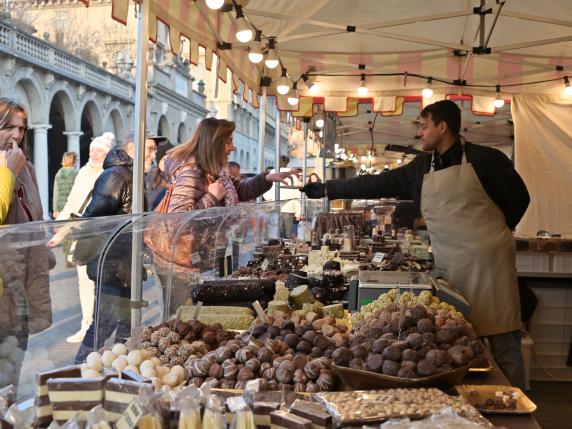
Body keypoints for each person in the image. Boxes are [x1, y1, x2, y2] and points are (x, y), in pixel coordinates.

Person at [302, 100, 530, 389]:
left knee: (502, 340)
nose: (420, 133)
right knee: (457, 339)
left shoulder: (488, 159)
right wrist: (327, 188)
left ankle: (517, 403)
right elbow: (378, 184)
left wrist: (493, 233)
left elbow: (519, 200)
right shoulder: (422, 167)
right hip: (450, 266)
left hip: (490, 264)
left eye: (424, 126)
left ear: (442, 126)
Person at [154, 117, 298, 314]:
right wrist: (211, 196)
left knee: (201, 316)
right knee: (184, 316)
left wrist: (266, 178)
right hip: (182, 265)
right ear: (215, 143)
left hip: (202, 259)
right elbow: (177, 220)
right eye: (228, 141)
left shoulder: (214, 171)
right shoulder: (191, 173)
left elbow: (237, 190)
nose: (233, 147)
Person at [75, 148, 142, 362]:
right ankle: (123, 367)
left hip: (112, 259)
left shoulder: (112, 175)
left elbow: (94, 212)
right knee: (127, 321)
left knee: (104, 321)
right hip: (126, 259)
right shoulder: (132, 175)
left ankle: (81, 366)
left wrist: (79, 228)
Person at [48, 132, 114, 343]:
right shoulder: (83, 172)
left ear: (108, 153)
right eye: (92, 150)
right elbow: (71, 205)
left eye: (100, 151)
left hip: (102, 235)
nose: (94, 154)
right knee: (84, 282)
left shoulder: (111, 174)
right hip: (81, 234)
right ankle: (87, 326)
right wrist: (60, 233)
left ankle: (101, 327)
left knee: (103, 284)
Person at [0, 98, 52, 358]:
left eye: (21, 128)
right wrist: (7, 171)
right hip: (3, 284)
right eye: (8, 127)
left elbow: (35, 218)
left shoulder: (27, 168)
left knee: (14, 363)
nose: (16, 135)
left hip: (23, 285)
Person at [263, 155, 302, 238]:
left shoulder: (272, 174)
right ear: (287, 163)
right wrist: (298, 212)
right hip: (289, 207)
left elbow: (267, 194)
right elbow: (297, 195)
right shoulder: (293, 175)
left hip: (274, 207)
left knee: (276, 235)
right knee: (288, 235)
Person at [52, 151, 78, 219]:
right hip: (73, 207)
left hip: (61, 208)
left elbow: (56, 194)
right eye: (76, 159)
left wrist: (55, 210)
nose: (77, 161)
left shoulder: (58, 174)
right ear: (73, 160)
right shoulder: (77, 174)